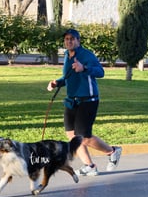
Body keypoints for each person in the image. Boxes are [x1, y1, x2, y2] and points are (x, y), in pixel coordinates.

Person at [47, 28, 122, 176]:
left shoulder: (86, 55)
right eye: (67, 39)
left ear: (78, 41)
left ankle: (113, 151)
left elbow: (100, 72)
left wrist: (84, 68)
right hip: (72, 100)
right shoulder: (67, 56)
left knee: (85, 137)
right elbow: (68, 77)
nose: (69, 41)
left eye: (72, 39)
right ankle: (90, 166)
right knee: (71, 136)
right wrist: (57, 83)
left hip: (88, 100)